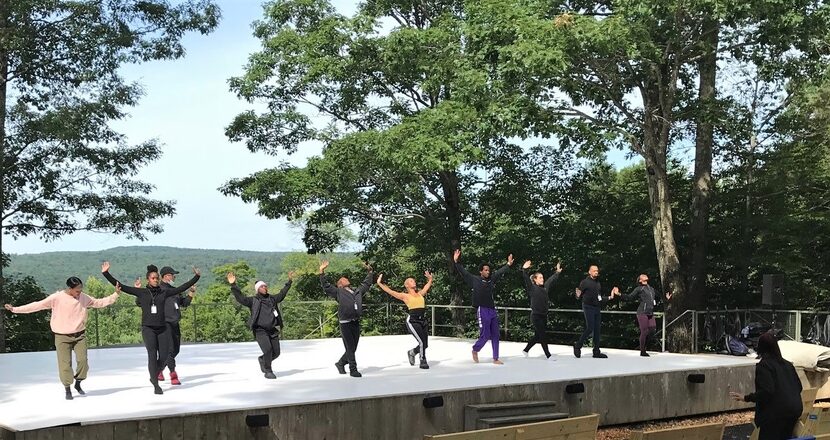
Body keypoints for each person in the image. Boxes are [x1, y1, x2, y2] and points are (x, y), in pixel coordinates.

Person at [4, 277, 121, 400]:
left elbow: (99, 302)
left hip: (79, 335)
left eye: (81, 289)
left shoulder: (83, 297)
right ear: (70, 289)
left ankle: (78, 382)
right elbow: (37, 306)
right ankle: (67, 388)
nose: (79, 292)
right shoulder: (57, 298)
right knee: (65, 365)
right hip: (62, 336)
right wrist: (15, 309)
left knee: (83, 361)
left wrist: (115, 294)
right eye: (77, 290)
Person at [101, 262, 200, 394]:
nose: (156, 280)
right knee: (152, 355)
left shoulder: (164, 293)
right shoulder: (142, 293)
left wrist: (196, 277)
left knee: (164, 356)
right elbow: (121, 286)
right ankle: (155, 383)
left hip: (162, 328)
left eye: (157, 278)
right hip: (148, 329)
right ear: (148, 279)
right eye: (153, 278)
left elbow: (181, 288)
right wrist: (106, 273)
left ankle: (155, 373)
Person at [730, 332, 803, 440]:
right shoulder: (788, 365)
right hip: (794, 410)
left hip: (775, 414)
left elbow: (767, 391)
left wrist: (747, 398)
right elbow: (799, 387)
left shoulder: (764, 365)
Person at [228, 271, 293, 379]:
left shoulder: (272, 299)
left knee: (276, 353)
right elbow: (240, 298)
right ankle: (268, 370)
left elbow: (282, 294)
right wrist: (233, 285)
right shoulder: (253, 301)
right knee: (267, 350)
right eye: (262, 286)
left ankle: (263, 360)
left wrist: (289, 282)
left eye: (265, 286)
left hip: (272, 330)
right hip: (260, 330)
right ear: (258, 289)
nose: (265, 287)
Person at [453, 249, 513, 364]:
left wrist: (508, 264)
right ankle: (475, 349)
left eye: (488, 270)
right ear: (481, 272)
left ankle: (495, 358)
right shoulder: (474, 280)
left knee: (496, 334)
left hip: (492, 310)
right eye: (485, 270)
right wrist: (456, 262)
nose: (488, 272)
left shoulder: (491, 281)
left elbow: (499, 273)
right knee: (485, 335)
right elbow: (464, 272)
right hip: (483, 310)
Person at [319, 260, 374, 377]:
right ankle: (353, 369)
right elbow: (326, 286)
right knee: (350, 347)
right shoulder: (338, 292)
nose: (345, 278)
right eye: (342, 279)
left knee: (353, 347)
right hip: (345, 323)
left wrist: (370, 271)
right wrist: (322, 271)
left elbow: (366, 284)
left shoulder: (357, 291)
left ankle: (340, 363)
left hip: (355, 322)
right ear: (340, 284)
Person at [376, 271, 434, 369]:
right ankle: (423, 360)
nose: (414, 282)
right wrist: (379, 283)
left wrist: (430, 279)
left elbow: (426, 286)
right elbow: (390, 291)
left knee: (425, 344)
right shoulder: (405, 296)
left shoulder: (420, 294)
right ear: (406, 285)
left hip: (422, 320)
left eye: (414, 280)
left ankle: (412, 352)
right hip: (413, 321)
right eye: (411, 281)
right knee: (422, 343)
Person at [150, 266, 196, 385]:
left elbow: (184, 303)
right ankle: (173, 373)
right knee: (169, 350)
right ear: (166, 276)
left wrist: (191, 292)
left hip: (175, 323)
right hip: (164, 323)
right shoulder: (158, 290)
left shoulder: (175, 291)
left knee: (175, 350)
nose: (174, 277)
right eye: (172, 275)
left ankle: (159, 369)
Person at [573, 265, 620, 359]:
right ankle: (578, 345)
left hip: (597, 307)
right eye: (594, 271)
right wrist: (577, 295)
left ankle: (596, 351)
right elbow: (578, 296)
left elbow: (599, 298)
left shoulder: (598, 283)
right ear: (589, 272)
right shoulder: (585, 282)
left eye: (597, 271)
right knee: (590, 328)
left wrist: (610, 297)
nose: (596, 272)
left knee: (597, 329)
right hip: (588, 306)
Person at [520, 260, 562, 359]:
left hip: (544, 316)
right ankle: (548, 355)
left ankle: (526, 350)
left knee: (538, 336)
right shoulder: (532, 288)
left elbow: (551, 280)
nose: (542, 279)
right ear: (535, 280)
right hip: (536, 316)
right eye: (540, 278)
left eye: (542, 277)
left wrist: (557, 272)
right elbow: (525, 278)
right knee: (543, 335)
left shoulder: (545, 288)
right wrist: (524, 269)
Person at [622, 274, 671, 356]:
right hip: (642, 312)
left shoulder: (651, 289)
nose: (645, 275)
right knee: (644, 331)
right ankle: (642, 350)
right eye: (643, 276)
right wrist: (620, 294)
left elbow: (659, 296)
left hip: (650, 313)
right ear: (640, 280)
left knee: (652, 329)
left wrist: (666, 298)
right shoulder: (639, 289)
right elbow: (629, 297)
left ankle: (645, 346)